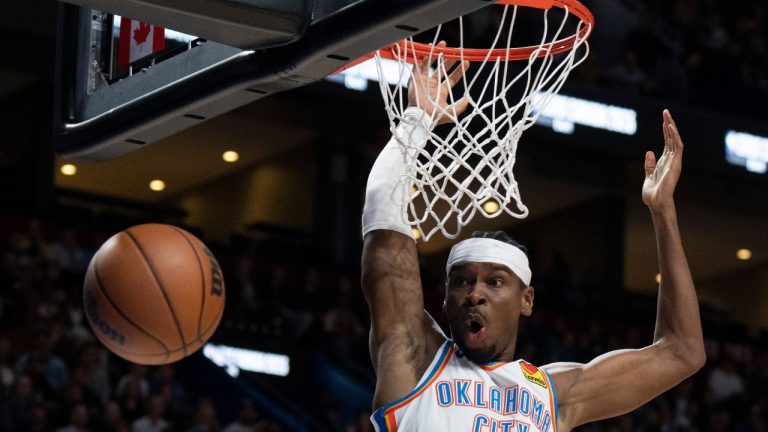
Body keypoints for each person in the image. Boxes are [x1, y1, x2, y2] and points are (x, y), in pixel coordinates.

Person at [360, 51, 705, 431]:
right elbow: (383, 222)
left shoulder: (552, 394)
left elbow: (682, 352)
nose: (474, 294)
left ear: (527, 299)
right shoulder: (416, 358)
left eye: (494, 281)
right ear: (444, 299)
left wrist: (663, 212)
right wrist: (416, 121)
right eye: (461, 281)